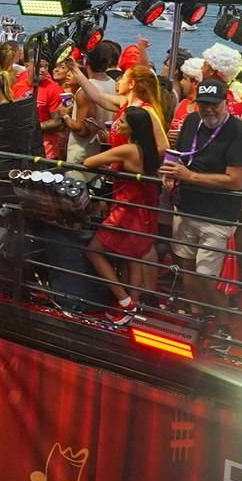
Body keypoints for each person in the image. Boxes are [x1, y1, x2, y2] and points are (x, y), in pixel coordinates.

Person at [161, 79, 242, 339]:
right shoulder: (191, 121)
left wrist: (188, 176)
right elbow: (179, 154)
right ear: (197, 103)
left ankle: (223, 323)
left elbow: (236, 181)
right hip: (186, 207)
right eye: (204, 104)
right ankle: (197, 315)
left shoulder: (240, 133)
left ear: (226, 103)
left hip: (217, 216)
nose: (209, 110)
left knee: (207, 276)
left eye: (214, 105)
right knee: (187, 267)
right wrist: (170, 172)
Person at [83, 106, 163, 322]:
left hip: (126, 210)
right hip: (141, 209)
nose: (118, 124)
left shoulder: (128, 149)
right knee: (132, 256)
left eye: (123, 122)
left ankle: (125, 301)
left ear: (133, 127)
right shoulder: (148, 149)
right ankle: (131, 305)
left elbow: (89, 162)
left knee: (94, 251)